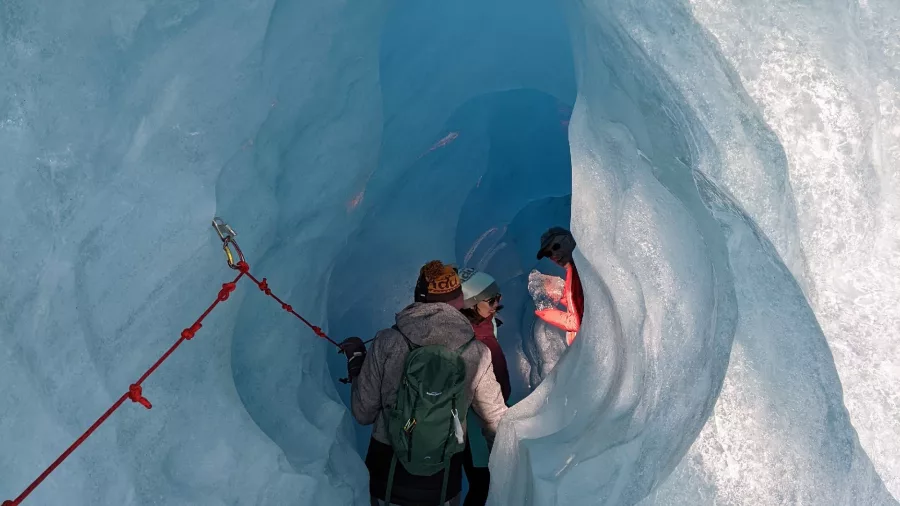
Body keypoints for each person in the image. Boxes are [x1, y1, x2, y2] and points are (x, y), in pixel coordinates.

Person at [340, 261, 508, 506]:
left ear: (418, 297)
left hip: (387, 476)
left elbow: (363, 412)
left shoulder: (388, 341)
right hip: (443, 480)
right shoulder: (476, 351)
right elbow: (495, 421)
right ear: (460, 299)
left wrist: (356, 364)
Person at [458, 268, 510, 506]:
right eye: (491, 300)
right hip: (475, 431)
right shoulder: (472, 341)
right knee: (483, 486)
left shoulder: (483, 327)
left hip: (481, 424)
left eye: (498, 297)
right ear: (471, 304)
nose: (497, 304)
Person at [534, 227, 584, 346]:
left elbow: (580, 322)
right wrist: (563, 296)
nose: (554, 255)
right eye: (548, 254)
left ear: (568, 240)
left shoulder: (579, 271)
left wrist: (549, 314)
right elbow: (583, 305)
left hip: (588, 348)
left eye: (556, 247)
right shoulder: (573, 270)